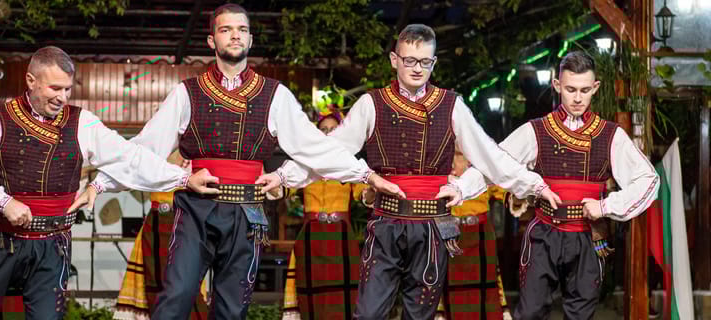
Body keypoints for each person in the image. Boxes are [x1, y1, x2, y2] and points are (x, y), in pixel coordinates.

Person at [88, 4, 403, 319]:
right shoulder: (187, 93)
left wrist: (365, 174)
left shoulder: (274, 95)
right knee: (177, 296)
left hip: (247, 212)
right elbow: (146, 147)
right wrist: (101, 182)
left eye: (241, 30)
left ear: (250, 39)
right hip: (197, 208)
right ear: (212, 41)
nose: (234, 35)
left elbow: (314, 147)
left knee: (232, 309)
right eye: (225, 30)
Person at [279, 24, 561, 320]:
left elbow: (490, 156)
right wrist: (285, 176)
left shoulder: (452, 106)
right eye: (410, 60)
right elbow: (331, 150)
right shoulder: (372, 104)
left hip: (432, 226)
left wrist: (534, 185)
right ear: (394, 59)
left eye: (425, 62)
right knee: (369, 313)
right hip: (387, 223)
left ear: (433, 62)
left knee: (420, 316)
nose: (417, 68)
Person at [0, 46, 217, 320]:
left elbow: (130, 157)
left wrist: (183, 178)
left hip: (52, 245)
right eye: (55, 88)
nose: (62, 97)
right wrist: (4, 202)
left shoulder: (81, 123)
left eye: (67, 89)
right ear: (31, 81)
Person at [459, 51, 660, 319]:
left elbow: (649, 180)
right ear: (557, 85)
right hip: (544, 235)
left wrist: (606, 206)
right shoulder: (536, 130)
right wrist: (461, 188)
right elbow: (493, 163)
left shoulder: (610, 135)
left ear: (596, 88)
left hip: (589, 237)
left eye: (585, 90)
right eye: (570, 89)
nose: (577, 98)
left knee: (580, 315)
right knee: (529, 313)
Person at [280, 110, 369, 320]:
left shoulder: (351, 165)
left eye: (334, 130)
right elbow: (283, 188)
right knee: (310, 293)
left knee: (343, 296)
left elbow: (365, 195)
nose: (329, 134)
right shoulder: (304, 166)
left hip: (341, 238)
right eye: (324, 130)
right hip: (311, 238)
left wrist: (376, 186)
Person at [113, 151, 209, 320]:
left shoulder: (200, 148)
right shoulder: (159, 143)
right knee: (156, 285)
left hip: (188, 221)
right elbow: (127, 162)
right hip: (158, 222)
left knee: (185, 287)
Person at [434, 147, 512, 320]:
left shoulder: (481, 168)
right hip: (448, 226)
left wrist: (520, 194)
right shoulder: (438, 165)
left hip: (479, 228)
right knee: (448, 281)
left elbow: (504, 192)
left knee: (485, 282)